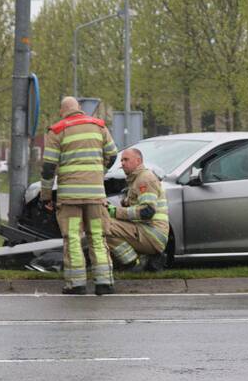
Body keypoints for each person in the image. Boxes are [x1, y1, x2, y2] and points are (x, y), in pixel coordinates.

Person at [40, 97, 118, 295]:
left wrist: (46, 196)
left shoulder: (57, 130)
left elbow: (48, 168)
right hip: (95, 195)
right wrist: (100, 172)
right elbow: (113, 154)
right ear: (80, 109)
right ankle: (104, 283)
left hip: (70, 197)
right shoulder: (99, 126)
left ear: (62, 111)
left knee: (73, 237)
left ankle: (76, 284)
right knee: (97, 237)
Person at [105, 147, 169, 272]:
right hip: (147, 230)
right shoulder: (136, 179)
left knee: (103, 224)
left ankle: (132, 263)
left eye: (126, 160)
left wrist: (114, 211)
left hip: (152, 233)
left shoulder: (145, 179)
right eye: (122, 160)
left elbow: (147, 212)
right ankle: (142, 259)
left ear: (138, 161)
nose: (122, 163)